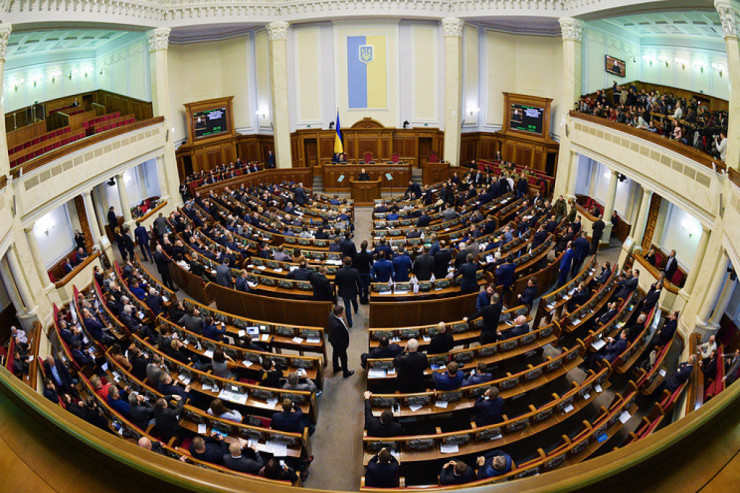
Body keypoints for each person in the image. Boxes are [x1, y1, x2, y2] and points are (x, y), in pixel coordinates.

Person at [328, 305, 354, 378]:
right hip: (339, 344)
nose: (344, 313)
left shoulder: (331, 314)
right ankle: (346, 372)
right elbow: (338, 339)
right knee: (344, 358)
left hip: (332, 340)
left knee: (335, 353)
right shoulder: (337, 326)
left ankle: (336, 367)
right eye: (343, 312)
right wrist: (344, 346)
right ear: (339, 314)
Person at [334, 257, 361, 326]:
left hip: (344, 291)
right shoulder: (355, 271)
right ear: (351, 263)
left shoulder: (339, 272)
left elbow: (336, 282)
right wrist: (359, 290)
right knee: (354, 301)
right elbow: (359, 282)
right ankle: (356, 310)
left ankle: (350, 323)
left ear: (343, 263)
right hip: (353, 290)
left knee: (347, 306)